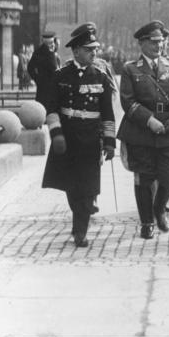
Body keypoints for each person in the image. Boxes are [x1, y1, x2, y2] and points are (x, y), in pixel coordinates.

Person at [41, 26, 116, 247]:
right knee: (71, 187)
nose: (93, 53)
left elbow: (108, 114)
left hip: (91, 140)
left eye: (95, 49)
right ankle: (78, 221)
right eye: (88, 49)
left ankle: (81, 231)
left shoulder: (101, 78)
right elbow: (51, 108)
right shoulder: (61, 76)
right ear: (75, 52)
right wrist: (56, 134)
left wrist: (110, 142)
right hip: (67, 139)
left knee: (88, 187)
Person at [117, 20, 169, 239]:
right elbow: (128, 102)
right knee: (144, 178)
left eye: (161, 41)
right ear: (142, 44)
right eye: (153, 42)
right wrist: (149, 120)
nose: (159, 46)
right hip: (141, 131)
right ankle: (146, 222)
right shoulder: (131, 69)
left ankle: (159, 209)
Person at [28, 31, 61, 104]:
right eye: (50, 43)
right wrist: (37, 79)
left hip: (52, 86)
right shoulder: (39, 52)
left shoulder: (53, 52)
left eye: (52, 42)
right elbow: (30, 67)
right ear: (45, 43)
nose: (52, 45)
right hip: (44, 86)